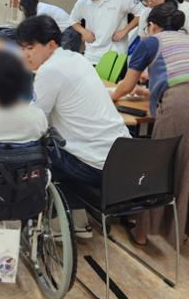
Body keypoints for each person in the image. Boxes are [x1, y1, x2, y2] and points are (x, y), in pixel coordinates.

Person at [110, 3, 189, 247]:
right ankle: (187, 229)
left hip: (184, 105)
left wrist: (108, 97)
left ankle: (142, 232)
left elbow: (126, 86)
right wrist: (149, 91)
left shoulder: (150, 42)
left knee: (163, 165)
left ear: (152, 25)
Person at [16, 15, 130, 238]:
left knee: (38, 154)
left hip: (95, 166)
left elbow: (35, 121)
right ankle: (79, 222)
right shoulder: (78, 59)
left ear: (51, 45)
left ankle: (59, 226)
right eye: (22, 48)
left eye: (30, 48)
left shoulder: (50, 70)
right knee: (62, 146)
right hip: (125, 161)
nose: (25, 55)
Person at [70, 0, 146, 64]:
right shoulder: (82, 2)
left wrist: (125, 30)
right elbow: (73, 20)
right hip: (91, 55)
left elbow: (142, 12)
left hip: (116, 55)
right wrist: (83, 31)